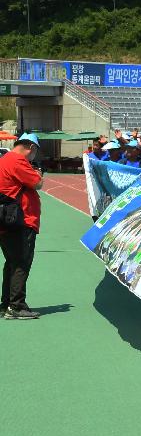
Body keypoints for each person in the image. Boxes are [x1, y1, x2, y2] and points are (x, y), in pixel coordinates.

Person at [0, 133, 44, 319]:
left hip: (8, 219)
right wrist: (38, 173)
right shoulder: (17, 161)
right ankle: (16, 306)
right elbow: (37, 183)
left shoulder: (5, 159)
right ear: (31, 148)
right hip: (21, 220)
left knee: (12, 262)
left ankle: (7, 304)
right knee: (21, 262)